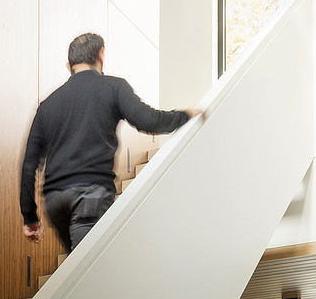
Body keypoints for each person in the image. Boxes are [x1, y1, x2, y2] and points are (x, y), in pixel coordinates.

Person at [20, 32, 202, 254]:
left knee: (79, 270)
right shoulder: (113, 87)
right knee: (88, 274)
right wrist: (185, 115)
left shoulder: (47, 105)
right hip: (90, 194)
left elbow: (29, 164)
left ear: (69, 65)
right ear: (101, 55)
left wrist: (29, 216)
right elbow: (148, 120)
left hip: (55, 202)